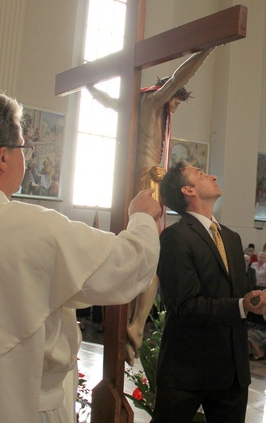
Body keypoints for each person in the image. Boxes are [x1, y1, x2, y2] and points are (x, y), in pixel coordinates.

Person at [0, 88, 162, 422]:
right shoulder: (28, 227)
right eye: (22, 148)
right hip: (15, 403)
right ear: (3, 157)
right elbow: (128, 265)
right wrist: (142, 216)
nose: (25, 158)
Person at [87, 49, 214, 363]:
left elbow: (106, 100)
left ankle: (129, 324)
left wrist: (91, 86)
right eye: (176, 103)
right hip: (150, 181)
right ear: (167, 95)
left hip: (135, 178)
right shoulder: (155, 100)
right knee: (153, 256)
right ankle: (137, 326)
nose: (174, 108)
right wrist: (206, 50)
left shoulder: (134, 102)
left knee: (133, 249)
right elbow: (179, 77)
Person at [151, 161, 266, 423]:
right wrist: (243, 305)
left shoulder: (230, 237)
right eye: (201, 174)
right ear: (188, 190)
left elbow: (241, 296)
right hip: (188, 370)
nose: (212, 175)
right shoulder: (175, 237)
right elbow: (187, 306)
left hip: (231, 371)